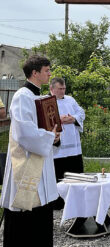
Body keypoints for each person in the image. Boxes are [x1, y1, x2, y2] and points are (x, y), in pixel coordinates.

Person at [0, 55, 60, 246]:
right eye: (46, 70)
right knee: (26, 213)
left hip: (41, 161)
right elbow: (25, 133)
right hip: (27, 164)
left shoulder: (40, 97)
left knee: (41, 209)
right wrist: (50, 137)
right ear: (35, 73)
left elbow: (46, 128)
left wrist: (55, 136)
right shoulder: (21, 97)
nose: (50, 74)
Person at [49, 77, 86, 210]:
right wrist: (59, 119)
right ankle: (58, 203)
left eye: (64, 88)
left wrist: (73, 118)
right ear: (52, 89)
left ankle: (76, 202)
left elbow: (81, 112)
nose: (63, 91)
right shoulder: (46, 101)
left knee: (75, 176)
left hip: (73, 148)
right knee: (59, 177)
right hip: (58, 148)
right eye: (60, 89)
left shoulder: (71, 100)